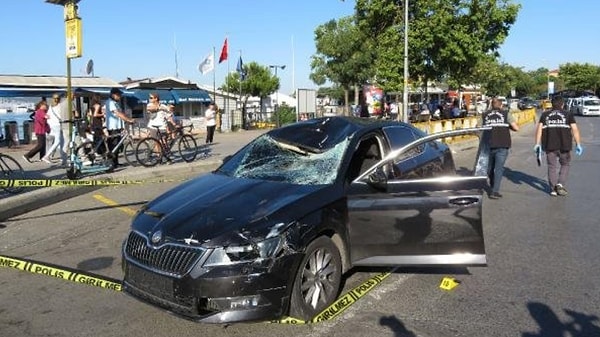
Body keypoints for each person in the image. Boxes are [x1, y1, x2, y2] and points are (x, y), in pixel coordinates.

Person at [534, 95, 582, 196]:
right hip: (565, 145)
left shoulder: (545, 115)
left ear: (551, 104)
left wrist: (537, 144)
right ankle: (560, 184)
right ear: (563, 104)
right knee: (565, 164)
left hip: (549, 145)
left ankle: (553, 189)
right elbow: (575, 130)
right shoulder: (568, 114)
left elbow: (539, 130)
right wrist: (578, 144)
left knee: (551, 166)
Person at [481, 97, 519, 199]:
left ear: (492, 105)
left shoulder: (484, 115)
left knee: (489, 168)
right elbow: (516, 127)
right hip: (502, 144)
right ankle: (494, 191)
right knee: (499, 168)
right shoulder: (506, 114)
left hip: (487, 145)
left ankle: (493, 184)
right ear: (501, 105)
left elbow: (478, 129)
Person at [105, 88, 134, 167]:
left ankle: (115, 162)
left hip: (118, 126)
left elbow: (121, 113)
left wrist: (126, 120)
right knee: (114, 145)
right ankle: (112, 163)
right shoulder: (110, 102)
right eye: (118, 95)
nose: (120, 97)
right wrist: (128, 120)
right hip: (113, 127)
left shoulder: (115, 103)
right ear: (113, 95)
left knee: (117, 145)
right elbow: (117, 113)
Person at [42, 93, 68, 166]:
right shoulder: (60, 106)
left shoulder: (50, 107)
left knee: (62, 142)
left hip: (52, 125)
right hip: (58, 125)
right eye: (56, 98)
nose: (56, 100)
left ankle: (64, 160)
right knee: (58, 141)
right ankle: (47, 156)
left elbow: (48, 116)